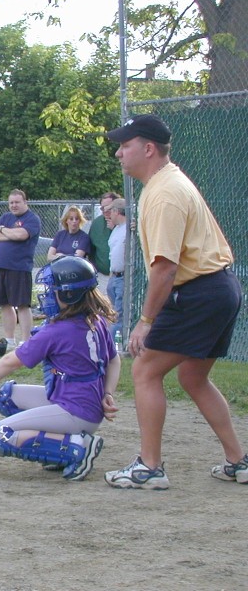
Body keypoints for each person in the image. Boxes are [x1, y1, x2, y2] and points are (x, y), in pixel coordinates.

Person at [103, 114, 247, 489]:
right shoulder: (166, 183)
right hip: (219, 288)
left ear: (148, 148)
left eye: (125, 144)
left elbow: (165, 269)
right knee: (193, 376)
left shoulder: (164, 192)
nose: (119, 152)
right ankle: (240, 461)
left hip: (198, 291)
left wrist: (145, 321)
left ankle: (150, 467)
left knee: (145, 370)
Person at [0, 256, 120, 481]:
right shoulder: (95, 319)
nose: (48, 294)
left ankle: (78, 447)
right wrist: (108, 393)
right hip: (83, 403)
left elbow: (12, 361)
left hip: (76, 412)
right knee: (7, 397)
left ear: (69, 294)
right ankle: (59, 448)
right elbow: (114, 360)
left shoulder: (58, 330)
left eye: (53, 289)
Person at [0, 189, 41, 348]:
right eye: (11, 202)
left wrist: (3, 230)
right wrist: (10, 234)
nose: (14, 205)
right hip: (0, 266)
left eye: (17, 202)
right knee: (5, 304)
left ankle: (26, 341)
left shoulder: (32, 219)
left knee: (22, 305)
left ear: (25, 202)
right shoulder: (6, 217)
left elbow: (21, 236)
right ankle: (9, 340)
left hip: (19, 267)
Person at [106, 198, 127, 339]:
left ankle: (115, 344)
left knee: (119, 313)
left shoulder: (129, 228)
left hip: (122, 276)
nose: (109, 215)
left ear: (116, 211)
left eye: (110, 211)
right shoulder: (116, 230)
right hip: (113, 276)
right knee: (113, 312)